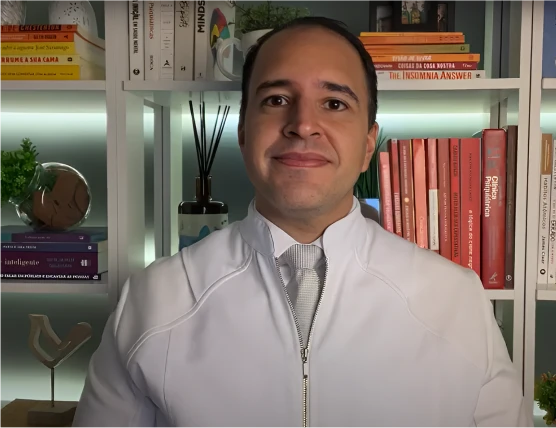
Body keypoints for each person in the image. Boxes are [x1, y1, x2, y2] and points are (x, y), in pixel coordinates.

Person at [73, 16, 532, 428]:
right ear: (243, 133)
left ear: (368, 145)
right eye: (276, 99)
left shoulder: (456, 301)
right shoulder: (153, 302)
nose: (303, 124)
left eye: (334, 103)